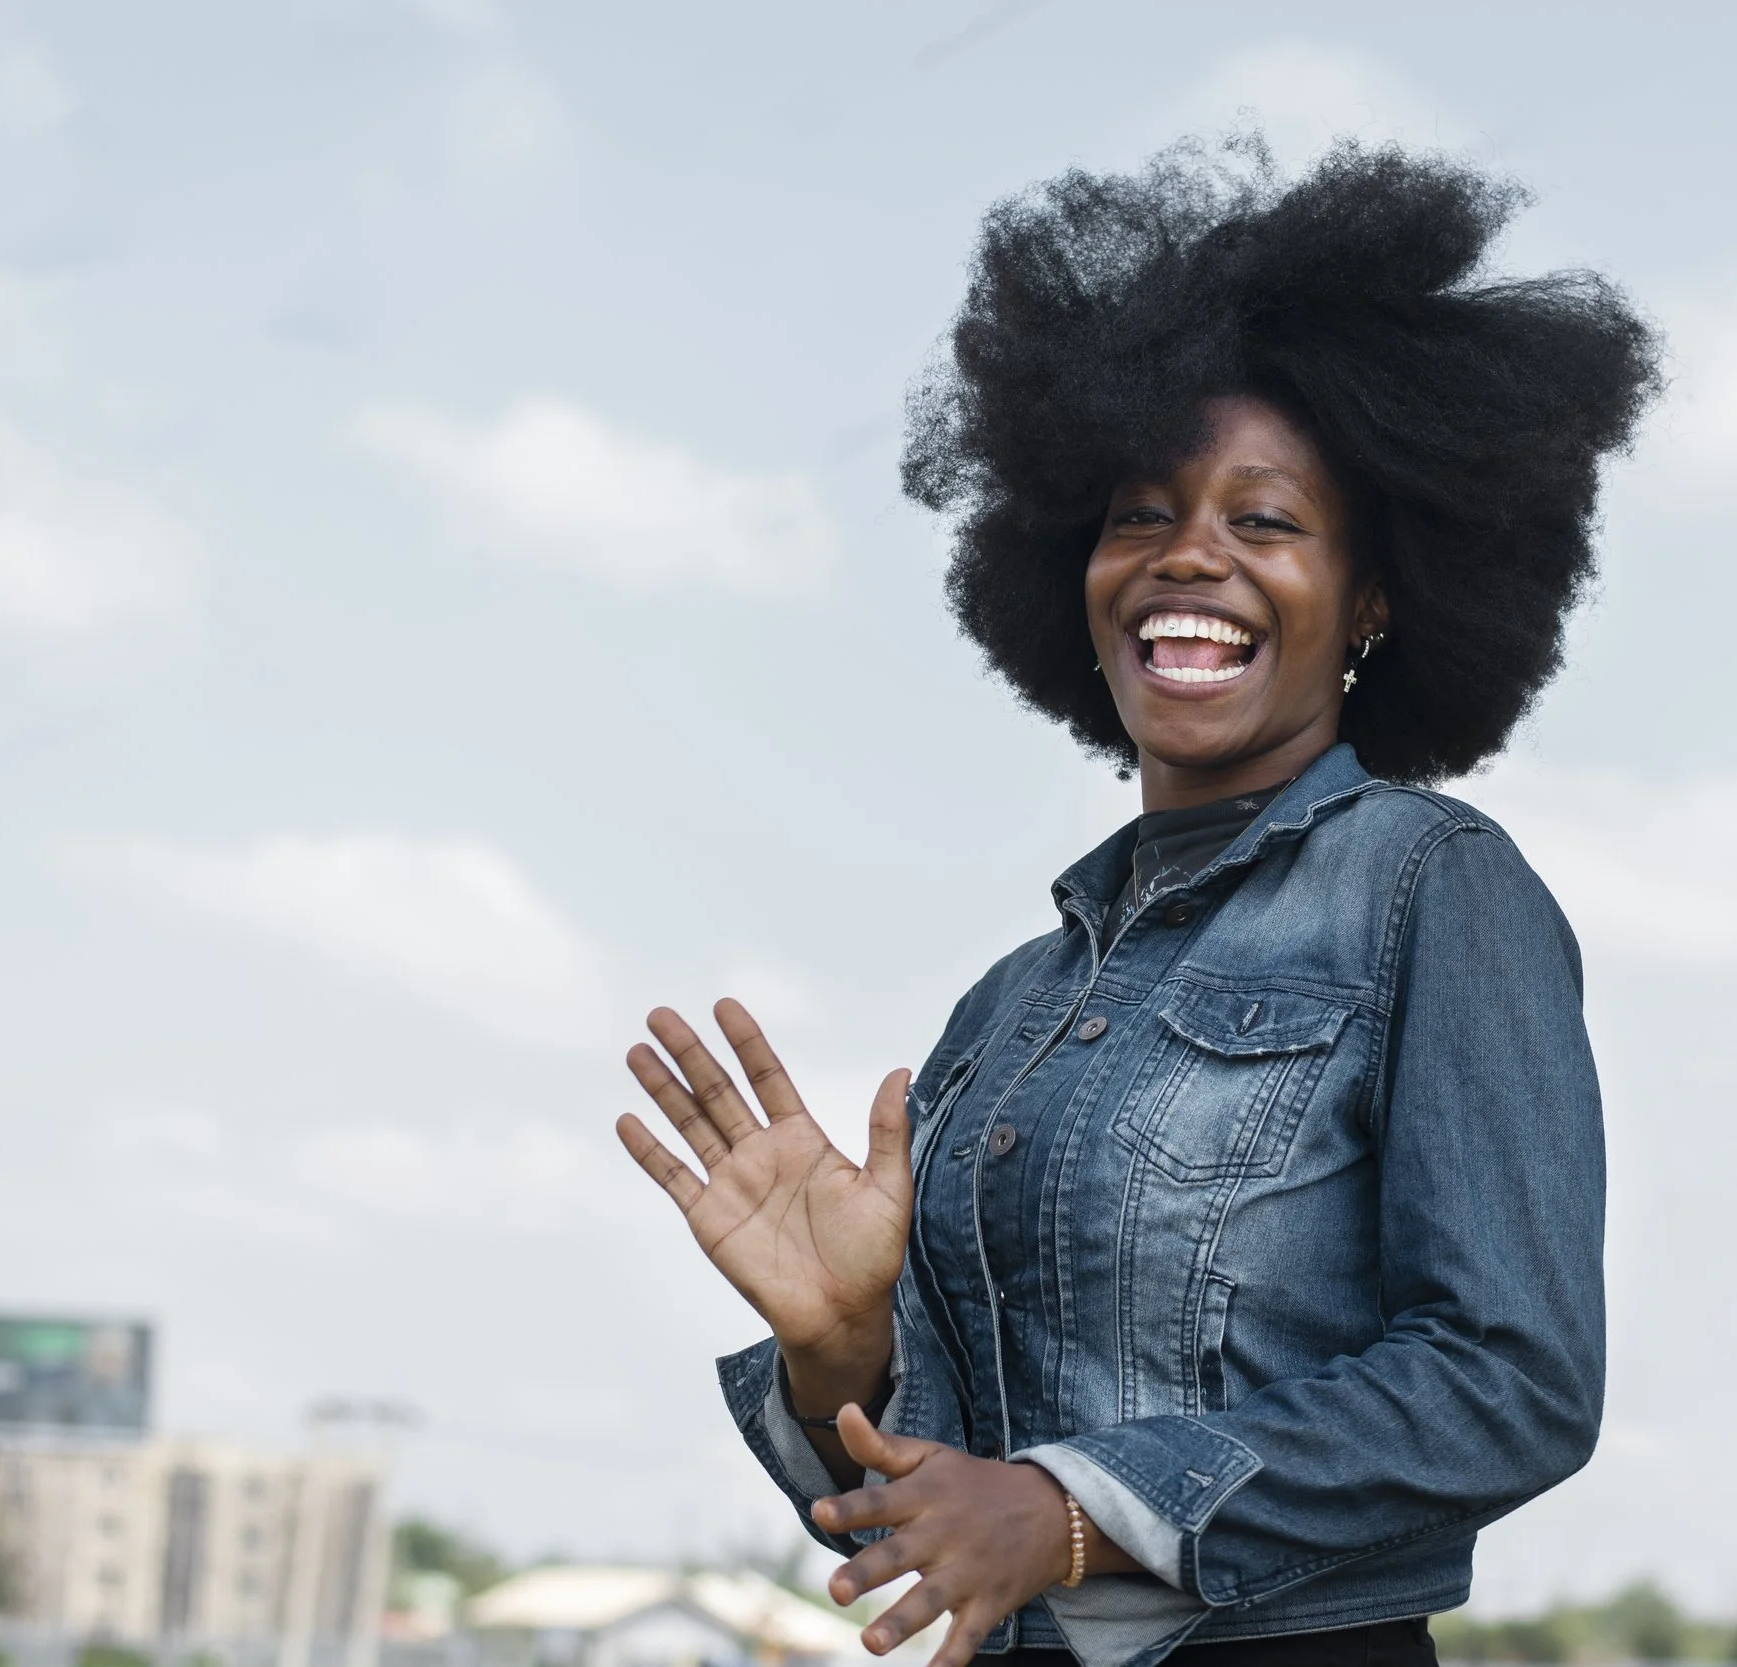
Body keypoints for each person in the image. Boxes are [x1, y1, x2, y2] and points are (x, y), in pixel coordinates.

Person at [615, 137, 1659, 1667]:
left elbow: (1510, 1378)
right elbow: (936, 1518)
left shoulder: (1432, 888)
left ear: (1375, 598)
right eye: (1140, 515)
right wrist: (845, 1349)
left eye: (1267, 521)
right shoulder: (1010, 1009)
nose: (1190, 558)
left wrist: (1077, 1508)